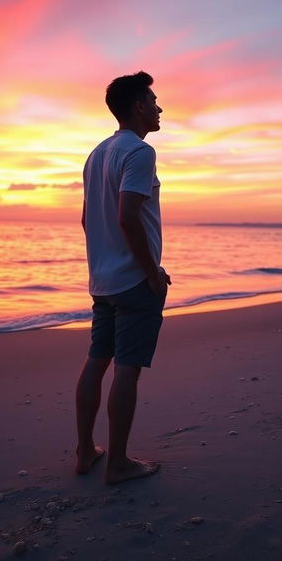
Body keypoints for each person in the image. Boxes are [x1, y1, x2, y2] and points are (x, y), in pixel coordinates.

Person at [75, 71, 170, 484]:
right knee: (126, 370)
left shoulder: (97, 153)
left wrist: (102, 264)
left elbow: (86, 219)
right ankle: (117, 463)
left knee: (97, 363)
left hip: (103, 281)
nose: (159, 107)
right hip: (133, 281)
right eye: (152, 100)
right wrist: (152, 273)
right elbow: (128, 216)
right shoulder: (138, 152)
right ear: (137, 107)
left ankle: (85, 453)